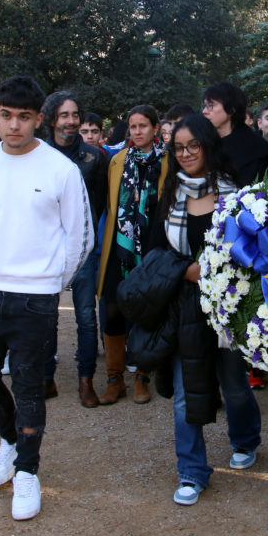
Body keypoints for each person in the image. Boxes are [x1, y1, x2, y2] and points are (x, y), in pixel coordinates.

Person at [0, 75, 93, 520]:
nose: (13, 126)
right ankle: (10, 437)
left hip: (37, 297)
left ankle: (27, 470)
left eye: (23, 117)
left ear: (39, 119)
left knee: (29, 385)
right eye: (5, 116)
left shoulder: (61, 169)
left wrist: (51, 282)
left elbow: (79, 238)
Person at [145, 114, 261, 506]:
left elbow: (252, 248)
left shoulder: (236, 194)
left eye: (194, 145)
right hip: (184, 307)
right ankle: (192, 472)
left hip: (227, 304)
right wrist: (185, 270)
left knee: (234, 386)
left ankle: (246, 438)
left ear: (208, 146)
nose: (186, 154)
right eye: (179, 148)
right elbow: (153, 251)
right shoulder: (169, 192)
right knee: (185, 393)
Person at [97, 104, 168, 404]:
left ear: (155, 129)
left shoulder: (168, 162)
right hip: (120, 246)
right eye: (133, 127)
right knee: (112, 309)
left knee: (145, 310)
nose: (137, 132)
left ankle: (141, 375)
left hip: (152, 245)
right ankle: (115, 379)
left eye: (143, 126)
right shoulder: (116, 161)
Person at [41, 91, 107, 407]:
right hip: (45, 249)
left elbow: (100, 204)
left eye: (75, 114)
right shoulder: (38, 155)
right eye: (64, 115)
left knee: (85, 316)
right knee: (44, 315)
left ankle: (86, 380)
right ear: (52, 118)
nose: (70, 120)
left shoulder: (94, 158)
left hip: (81, 248)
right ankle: (45, 377)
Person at [201, 81, 268, 187]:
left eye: (211, 105)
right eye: (205, 106)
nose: (204, 111)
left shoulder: (262, 152)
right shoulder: (203, 144)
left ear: (232, 109)